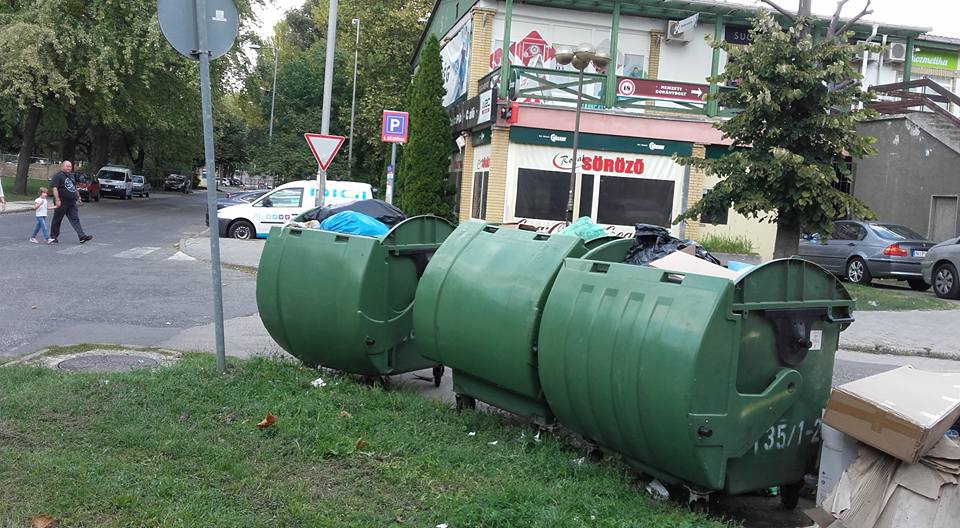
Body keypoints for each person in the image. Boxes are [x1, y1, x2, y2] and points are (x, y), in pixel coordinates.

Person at [49, 160, 93, 244]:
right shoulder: (58, 176)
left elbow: (74, 187)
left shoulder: (71, 176)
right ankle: (53, 237)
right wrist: (57, 199)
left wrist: (78, 197)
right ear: (62, 166)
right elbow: (54, 188)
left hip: (71, 202)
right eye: (67, 166)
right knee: (57, 219)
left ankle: (82, 236)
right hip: (62, 201)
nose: (69, 168)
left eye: (70, 166)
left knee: (75, 219)